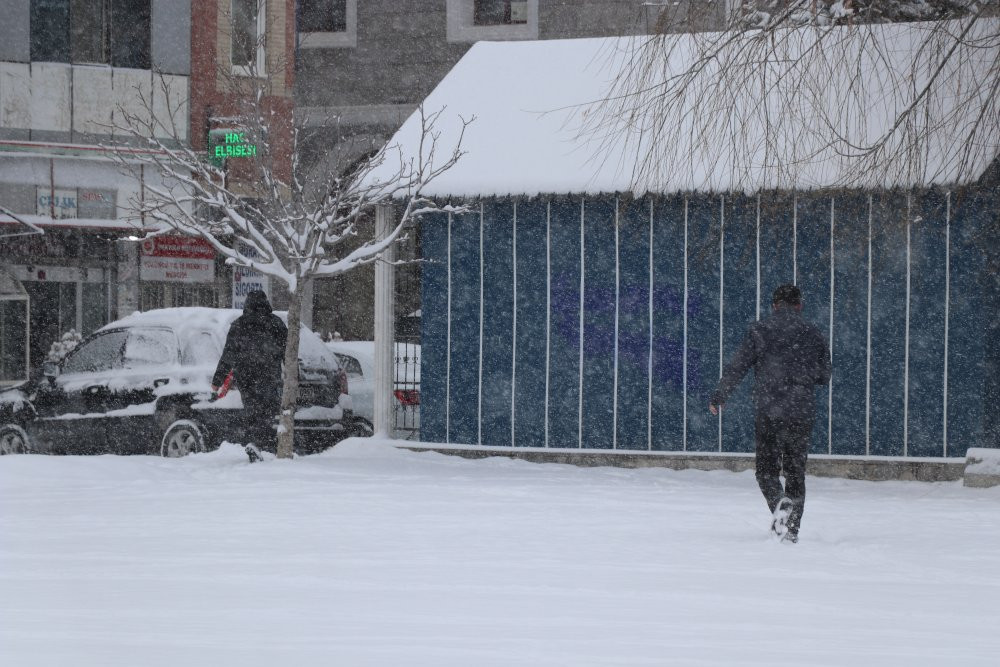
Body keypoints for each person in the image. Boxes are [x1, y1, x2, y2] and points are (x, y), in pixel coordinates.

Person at [709, 285, 831, 543]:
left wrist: (720, 394)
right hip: (801, 410)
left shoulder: (760, 330)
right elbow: (824, 376)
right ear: (799, 305)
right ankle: (791, 531)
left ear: (775, 305)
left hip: (769, 410)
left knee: (766, 471)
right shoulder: (813, 332)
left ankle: (779, 501)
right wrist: (800, 374)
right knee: (795, 472)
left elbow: (738, 366)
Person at [212, 290, 288, 462]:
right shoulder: (276, 323)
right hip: (269, 375)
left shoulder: (239, 324)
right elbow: (288, 352)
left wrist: (218, 380)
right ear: (266, 303)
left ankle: (256, 444)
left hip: (246, 376)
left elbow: (228, 354)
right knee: (267, 412)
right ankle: (263, 446)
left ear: (247, 304)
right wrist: (294, 374)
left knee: (252, 411)